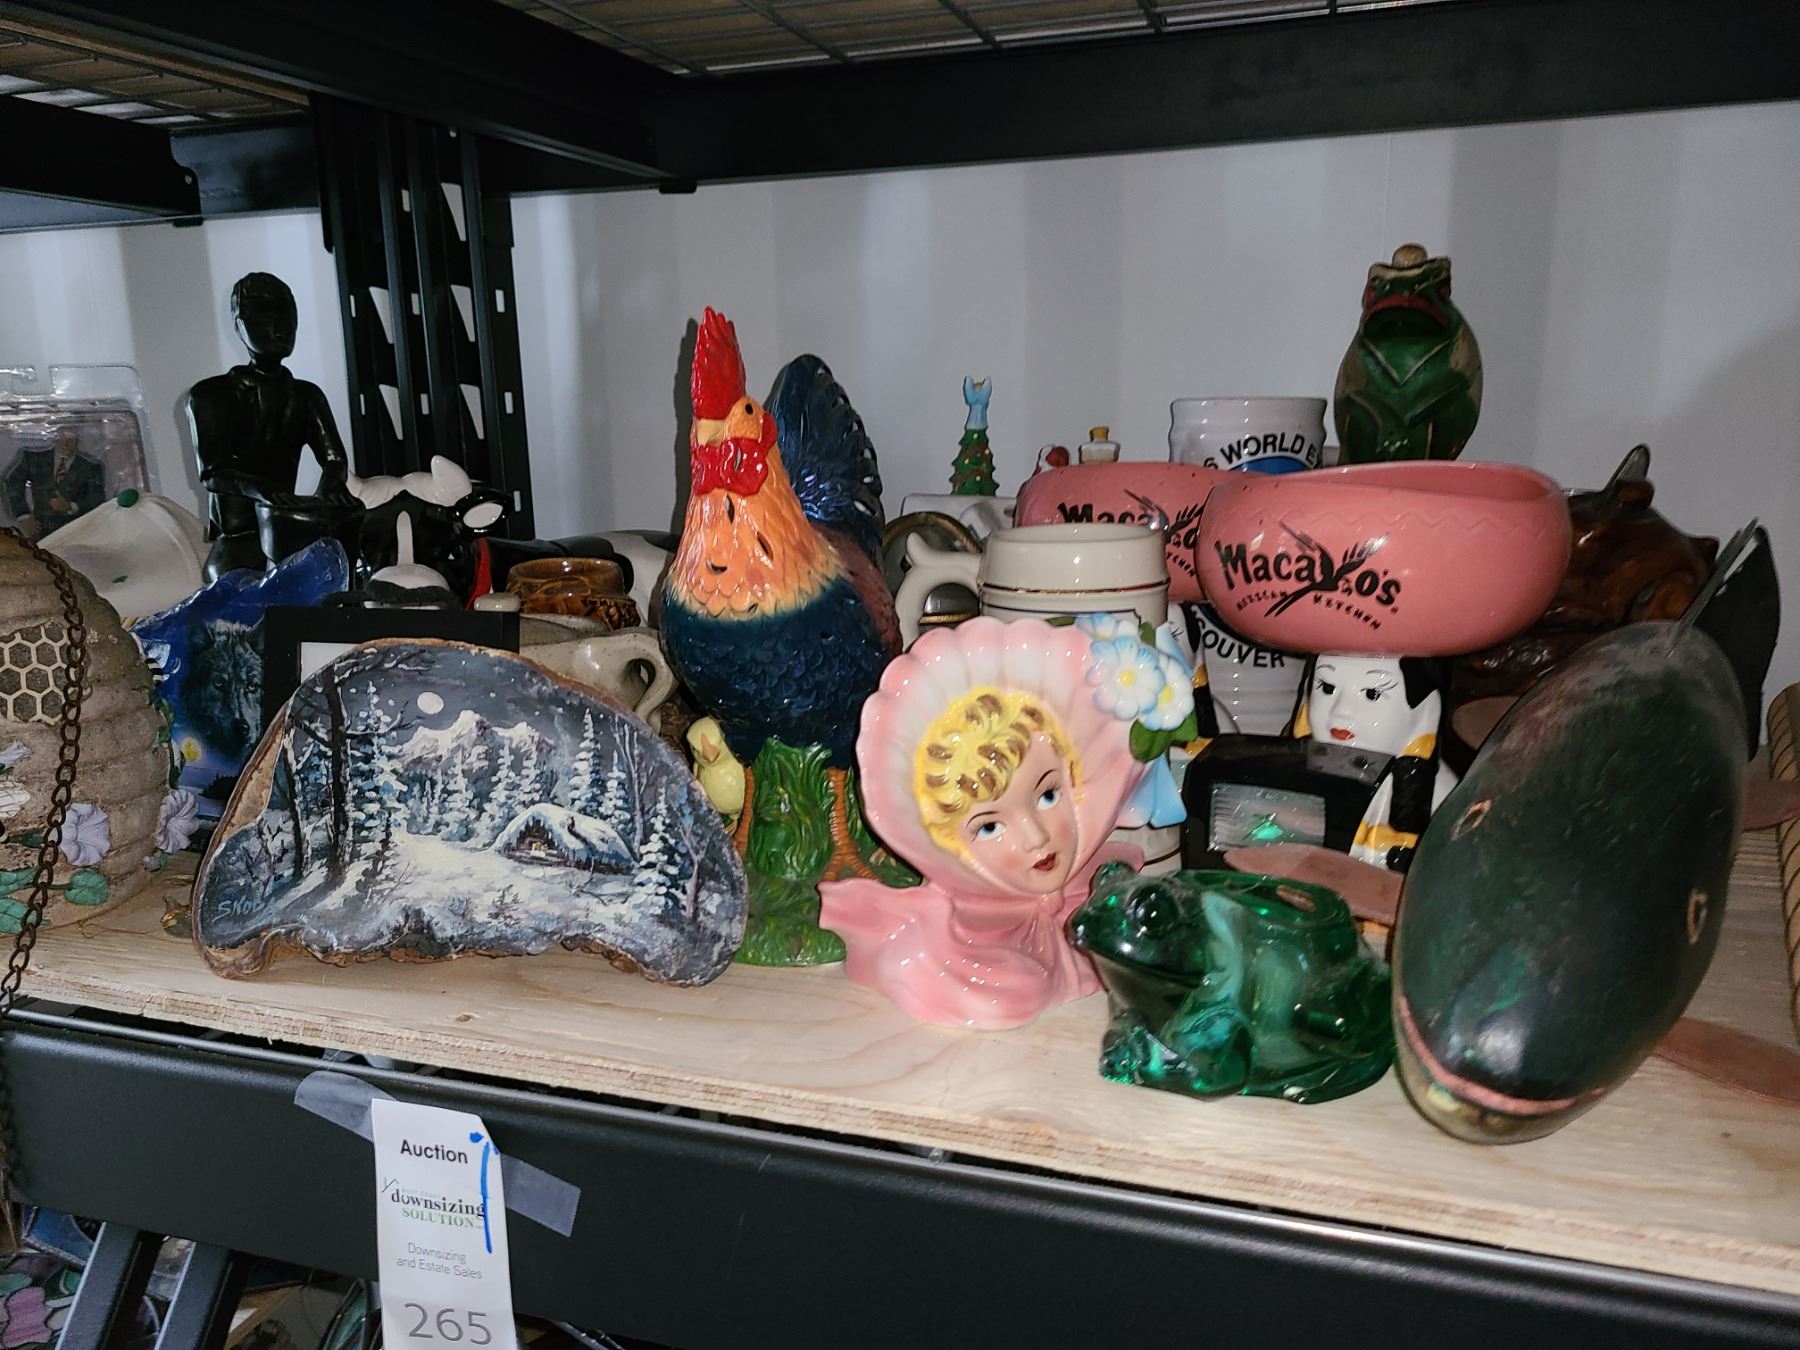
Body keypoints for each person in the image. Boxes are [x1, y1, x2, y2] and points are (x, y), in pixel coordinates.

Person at [183, 272, 355, 579]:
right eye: (266, 319)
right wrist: (262, 489)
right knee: (237, 593)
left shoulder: (306, 395)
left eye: (288, 318)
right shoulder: (211, 394)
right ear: (240, 325)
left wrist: (331, 486)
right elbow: (213, 471)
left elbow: (333, 458)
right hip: (239, 537)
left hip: (284, 528)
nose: (281, 329)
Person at [1296, 654, 1457, 871]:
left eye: (1372, 694)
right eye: (1327, 688)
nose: (1341, 711)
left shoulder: (1445, 800)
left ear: (1425, 710)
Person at [4, 426, 104, 540]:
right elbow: (12, 483)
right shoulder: (35, 459)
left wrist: (70, 506)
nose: (65, 444)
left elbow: (97, 502)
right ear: (54, 438)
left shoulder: (91, 468)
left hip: (75, 532)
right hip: (39, 530)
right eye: (61, 438)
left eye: (70, 439)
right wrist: (23, 516)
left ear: (77, 440)